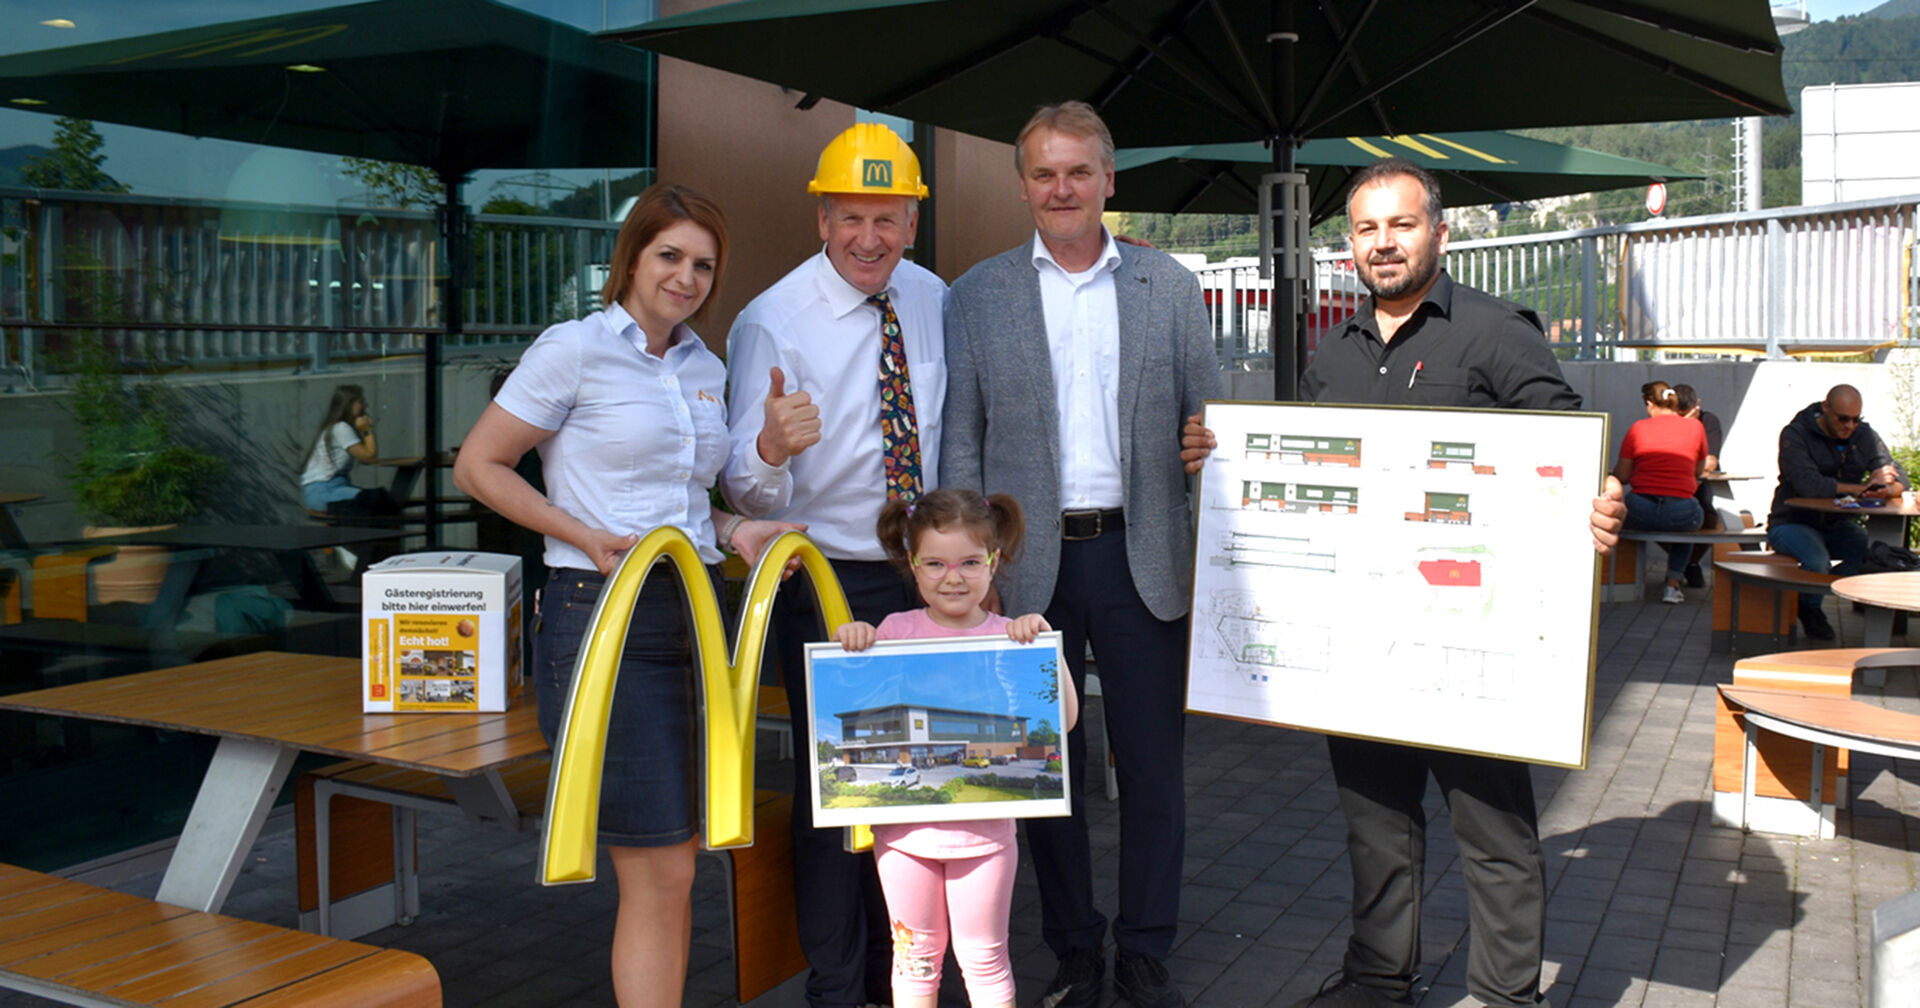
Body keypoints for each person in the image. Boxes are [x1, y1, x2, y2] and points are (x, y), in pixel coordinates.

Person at [1179, 157, 1624, 1008]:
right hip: (1360, 643)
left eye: (1401, 224)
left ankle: (1505, 995)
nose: (1383, 243)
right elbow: (1307, 477)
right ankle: (1379, 981)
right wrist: (1219, 458)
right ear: (1350, 244)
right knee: (1375, 823)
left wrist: (1601, 499)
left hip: (1469, 633)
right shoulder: (1333, 350)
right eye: (1366, 228)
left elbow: (1566, 444)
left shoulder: (1497, 332)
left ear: (1439, 234)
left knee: (1493, 831)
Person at [451, 183, 797, 1008]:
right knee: (661, 863)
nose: (687, 277)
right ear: (631, 257)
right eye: (669, 255)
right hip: (604, 612)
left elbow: (680, 497)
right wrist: (579, 532)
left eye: (704, 265)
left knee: (681, 864)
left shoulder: (705, 367)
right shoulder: (573, 349)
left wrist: (735, 529)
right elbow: (479, 465)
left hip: (697, 614)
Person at [941, 101, 1221, 1008]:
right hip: (1026, 567)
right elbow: (961, 446)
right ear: (1023, 184)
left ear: (1109, 179)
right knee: (1040, 766)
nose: (1061, 188)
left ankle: (1144, 948)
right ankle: (1071, 945)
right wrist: (964, 578)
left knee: (1152, 771)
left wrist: (1208, 463)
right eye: (1043, 173)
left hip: (1143, 559)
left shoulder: (1169, 290)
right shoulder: (976, 295)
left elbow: (1207, 434)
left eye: (1078, 171)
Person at [721, 122, 946, 1008]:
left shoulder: (932, 298)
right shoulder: (771, 319)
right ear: (821, 217)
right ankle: (838, 988)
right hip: (823, 580)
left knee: (917, 783)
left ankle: (911, 980)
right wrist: (772, 448)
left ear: (913, 223)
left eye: (887, 219)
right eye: (851, 217)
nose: (869, 238)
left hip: (921, 577)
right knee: (836, 798)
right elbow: (746, 490)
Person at [832, 488, 1079, 1008]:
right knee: (916, 963)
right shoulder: (893, 634)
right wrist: (853, 642)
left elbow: (1066, 721)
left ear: (993, 562)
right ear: (913, 565)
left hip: (986, 840)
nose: (953, 577)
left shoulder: (1012, 637)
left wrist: (1046, 653)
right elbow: (854, 695)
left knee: (985, 961)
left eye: (970, 562)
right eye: (936, 563)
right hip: (902, 839)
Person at [1765, 383, 1907, 641]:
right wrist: (1865, 487)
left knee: (1874, 555)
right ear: (1826, 408)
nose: (1849, 426)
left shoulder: (1863, 435)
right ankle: (1810, 609)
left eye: (1855, 419)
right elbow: (1809, 486)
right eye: (1843, 419)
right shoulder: (1795, 435)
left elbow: (1901, 479)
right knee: (1817, 560)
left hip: (1835, 524)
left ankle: (1820, 592)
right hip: (1791, 522)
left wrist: (1887, 487)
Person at [1613, 380, 1709, 604]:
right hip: (1682, 512)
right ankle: (1672, 585)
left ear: (1649, 403)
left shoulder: (1638, 428)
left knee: (1618, 512)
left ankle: (1624, 581)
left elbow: (1623, 476)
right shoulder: (1696, 427)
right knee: (1691, 524)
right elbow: (1699, 470)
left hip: (1640, 509)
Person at [300, 384, 398, 518]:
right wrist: (366, 430)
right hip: (325, 491)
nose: (365, 405)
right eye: (361, 402)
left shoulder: (339, 427)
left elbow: (367, 456)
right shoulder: (341, 428)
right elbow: (369, 457)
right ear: (349, 404)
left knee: (381, 502)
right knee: (378, 503)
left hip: (326, 490)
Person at [1671, 383, 1725, 587]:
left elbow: (1711, 462)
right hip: (1670, 489)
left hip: (1698, 489)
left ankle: (1689, 563)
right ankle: (1685, 564)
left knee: (1711, 521)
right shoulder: (1665, 423)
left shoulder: (1708, 421)